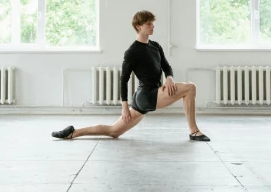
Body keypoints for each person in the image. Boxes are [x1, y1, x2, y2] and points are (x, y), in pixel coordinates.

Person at [51, 10, 210, 141]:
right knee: (190, 88)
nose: (152, 25)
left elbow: (166, 66)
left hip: (153, 93)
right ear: (139, 26)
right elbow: (123, 79)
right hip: (146, 96)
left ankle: (73, 132)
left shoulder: (155, 46)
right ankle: (193, 131)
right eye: (149, 23)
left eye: (152, 23)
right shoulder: (132, 52)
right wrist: (124, 107)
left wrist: (169, 78)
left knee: (114, 131)